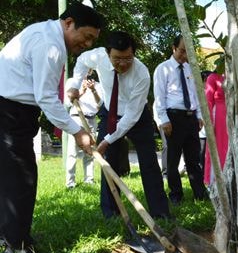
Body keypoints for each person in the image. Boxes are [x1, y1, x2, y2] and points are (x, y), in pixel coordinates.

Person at [0, 2, 103, 253]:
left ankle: (10, 236)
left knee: (9, 178)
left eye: (93, 40)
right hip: (10, 113)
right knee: (21, 180)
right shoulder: (51, 46)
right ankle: (18, 249)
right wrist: (78, 131)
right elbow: (46, 97)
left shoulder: (42, 32)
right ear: (69, 23)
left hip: (10, 109)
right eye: (87, 36)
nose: (88, 44)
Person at [70, 31, 172, 220]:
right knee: (109, 163)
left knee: (149, 163)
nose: (123, 64)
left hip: (137, 117)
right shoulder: (98, 56)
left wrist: (107, 140)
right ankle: (111, 213)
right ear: (108, 54)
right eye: (117, 58)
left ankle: (160, 212)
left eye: (128, 58)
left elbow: (131, 115)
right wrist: (75, 84)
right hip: (110, 113)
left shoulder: (141, 73)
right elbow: (82, 61)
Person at [153, 35, 208, 205]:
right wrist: (163, 119)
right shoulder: (163, 69)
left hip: (190, 118)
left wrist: (199, 115)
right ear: (173, 48)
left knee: (194, 159)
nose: (185, 56)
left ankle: (200, 193)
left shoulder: (191, 69)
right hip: (173, 118)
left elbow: (196, 95)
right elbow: (159, 96)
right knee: (173, 159)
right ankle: (176, 194)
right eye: (182, 51)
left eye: (188, 52)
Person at [65, 76, 103, 189]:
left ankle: (89, 180)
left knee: (90, 152)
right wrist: (81, 92)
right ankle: (70, 183)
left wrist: (93, 90)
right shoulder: (72, 82)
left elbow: (100, 104)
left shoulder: (98, 85)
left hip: (91, 119)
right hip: (76, 118)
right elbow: (67, 103)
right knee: (72, 152)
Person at [204, 72, 228, 186]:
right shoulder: (213, 77)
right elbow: (208, 101)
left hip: (235, 117)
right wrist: (209, 123)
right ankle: (216, 181)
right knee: (218, 147)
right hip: (218, 117)